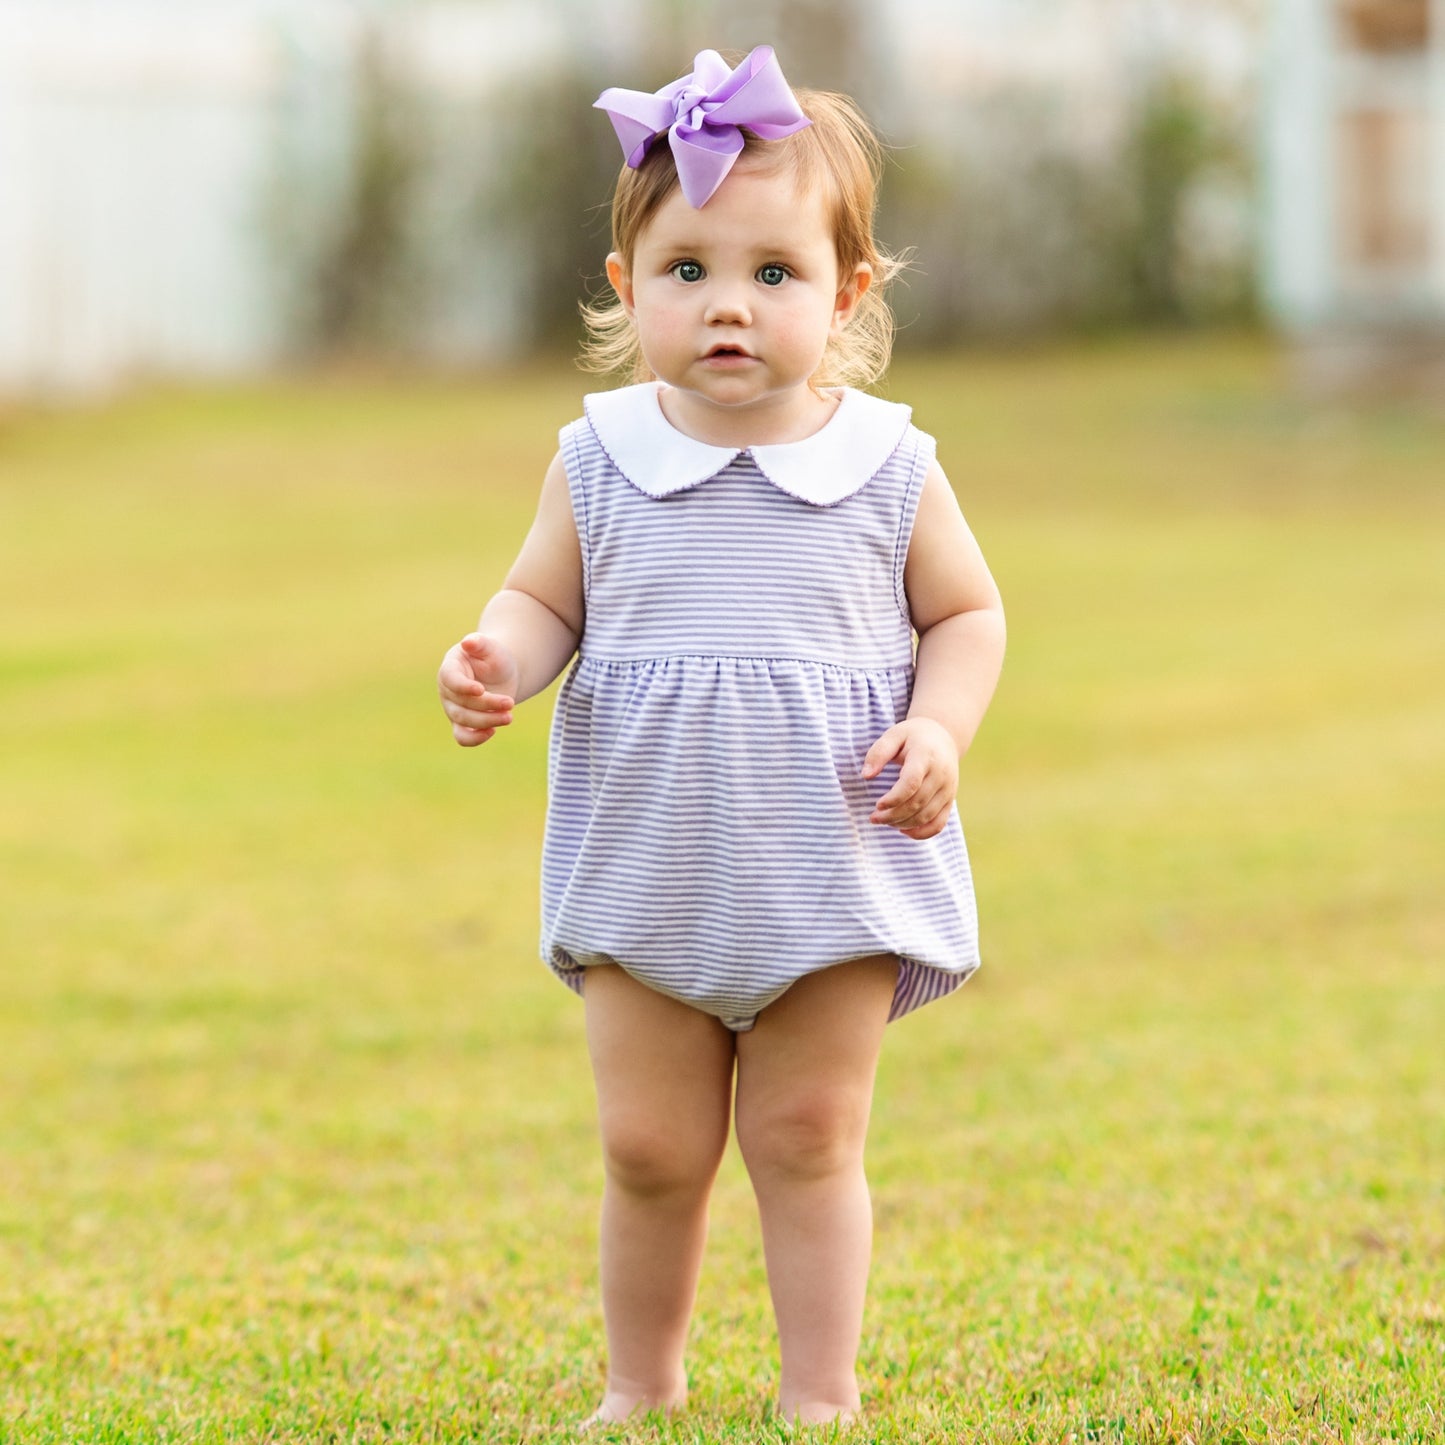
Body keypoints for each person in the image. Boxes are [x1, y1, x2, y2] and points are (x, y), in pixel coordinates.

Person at [437, 45, 1005, 1429]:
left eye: (771, 273)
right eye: (687, 272)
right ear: (629, 291)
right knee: (646, 1146)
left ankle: (819, 1390)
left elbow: (968, 613)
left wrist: (936, 730)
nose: (727, 307)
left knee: (808, 1137)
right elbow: (542, 599)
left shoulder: (886, 465)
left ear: (846, 292)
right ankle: (642, 1385)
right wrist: (495, 661)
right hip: (649, 858)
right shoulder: (601, 454)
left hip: (829, 857)